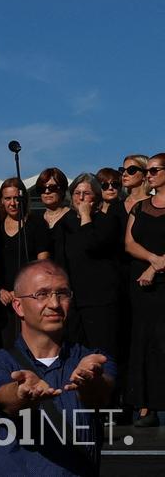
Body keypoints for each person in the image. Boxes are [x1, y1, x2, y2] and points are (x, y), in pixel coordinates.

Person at [0, 260, 115, 476]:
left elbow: (101, 393)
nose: (54, 303)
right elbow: (2, 397)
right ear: (18, 306)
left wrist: (90, 383)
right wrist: (21, 393)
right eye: (42, 294)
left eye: (62, 294)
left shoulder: (93, 361)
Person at [56, 174, 123, 358]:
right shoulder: (65, 223)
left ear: (96, 196)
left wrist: (85, 216)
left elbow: (91, 245)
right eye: (77, 193)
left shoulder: (107, 221)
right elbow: (60, 260)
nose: (81, 198)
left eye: (86, 193)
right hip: (74, 301)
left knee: (101, 354)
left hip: (100, 300)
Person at [124, 152, 165, 427]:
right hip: (141, 285)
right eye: (147, 170)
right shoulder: (140, 207)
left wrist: (156, 267)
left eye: (153, 170)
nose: (148, 175)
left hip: (162, 284)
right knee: (143, 342)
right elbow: (129, 243)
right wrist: (152, 260)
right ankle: (144, 406)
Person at [0, 177, 51, 349]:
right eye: (7, 198)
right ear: (2, 201)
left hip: (29, 297)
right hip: (2, 299)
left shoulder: (37, 223)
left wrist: (23, 291)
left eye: (16, 198)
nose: (12, 203)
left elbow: (42, 262)